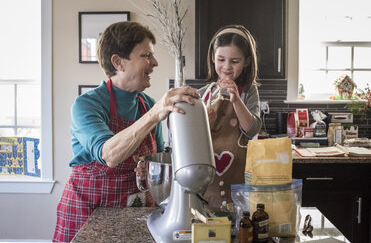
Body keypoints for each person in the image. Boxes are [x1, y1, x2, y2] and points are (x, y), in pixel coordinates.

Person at [52, 21, 200, 242]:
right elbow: (108, 155)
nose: (155, 62)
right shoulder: (86, 105)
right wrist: (155, 113)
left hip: (135, 213)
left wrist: (148, 169)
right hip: (88, 214)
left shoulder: (147, 104)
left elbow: (159, 160)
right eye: (146, 55)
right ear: (118, 62)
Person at [198, 24, 262, 210]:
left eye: (234, 61)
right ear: (213, 58)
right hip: (208, 179)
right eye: (221, 59)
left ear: (247, 61)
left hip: (239, 178)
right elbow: (191, 140)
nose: (226, 67)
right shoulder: (202, 94)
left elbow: (252, 129)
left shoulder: (249, 92)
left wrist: (236, 100)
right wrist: (203, 124)